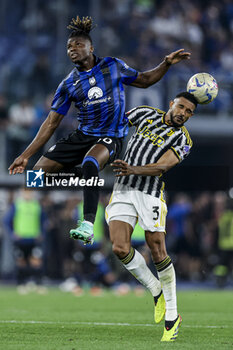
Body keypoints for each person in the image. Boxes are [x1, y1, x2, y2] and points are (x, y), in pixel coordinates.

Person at [8, 15, 191, 245]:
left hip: (110, 137)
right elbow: (50, 123)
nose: (72, 49)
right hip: (83, 135)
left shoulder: (112, 66)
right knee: (35, 179)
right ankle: (88, 179)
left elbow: (144, 80)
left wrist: (165, 63)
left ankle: (87, 224)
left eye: (78, 44)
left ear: (91, 47)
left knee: (90, 163)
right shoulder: (68, 84)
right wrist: (25, 155)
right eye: (68, 46)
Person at [105, 92, 198, 341]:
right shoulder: (144, 113)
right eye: (181, 107)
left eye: (189, 112)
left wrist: (132, 169)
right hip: (123, 190)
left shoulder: (183, 139)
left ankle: (172, 317)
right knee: (119, 248)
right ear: (172, 104)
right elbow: (115, 124)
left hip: (150, 195)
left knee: (157, 251)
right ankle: (155, 288)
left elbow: (163, 166)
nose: (184, 114)